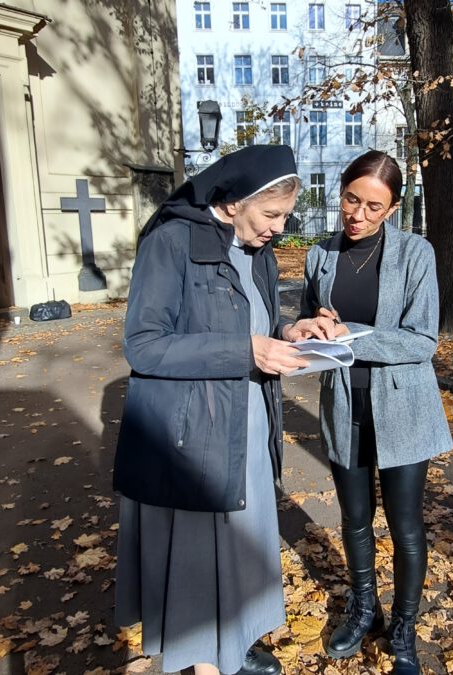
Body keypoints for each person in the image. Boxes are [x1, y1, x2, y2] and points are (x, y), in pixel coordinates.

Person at [112, 145, 330, 675]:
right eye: (271, 215)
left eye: (284, 217)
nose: (279, 229)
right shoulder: (171, 242)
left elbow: (251, 324)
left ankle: (234, 645)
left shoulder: (257, 251)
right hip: (191, 434)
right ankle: (203, 660)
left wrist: (287, 332)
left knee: (240, 541)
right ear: (232, 202)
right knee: (197, 555)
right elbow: (143, 346)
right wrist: (248, 351)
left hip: (250, 418)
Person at [291, 151, 453, 674]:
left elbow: (422, 341)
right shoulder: (320, 254)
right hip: (344, 405)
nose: (357, 215)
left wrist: (351, 335)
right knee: (355, 519)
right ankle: (366, 607)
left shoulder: (415, 254)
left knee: (405, 525)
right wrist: (303, 328)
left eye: (373, 207)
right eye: (350, 200)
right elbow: (304, 319)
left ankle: (404, 624)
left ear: (393, 208)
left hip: (403, 410)